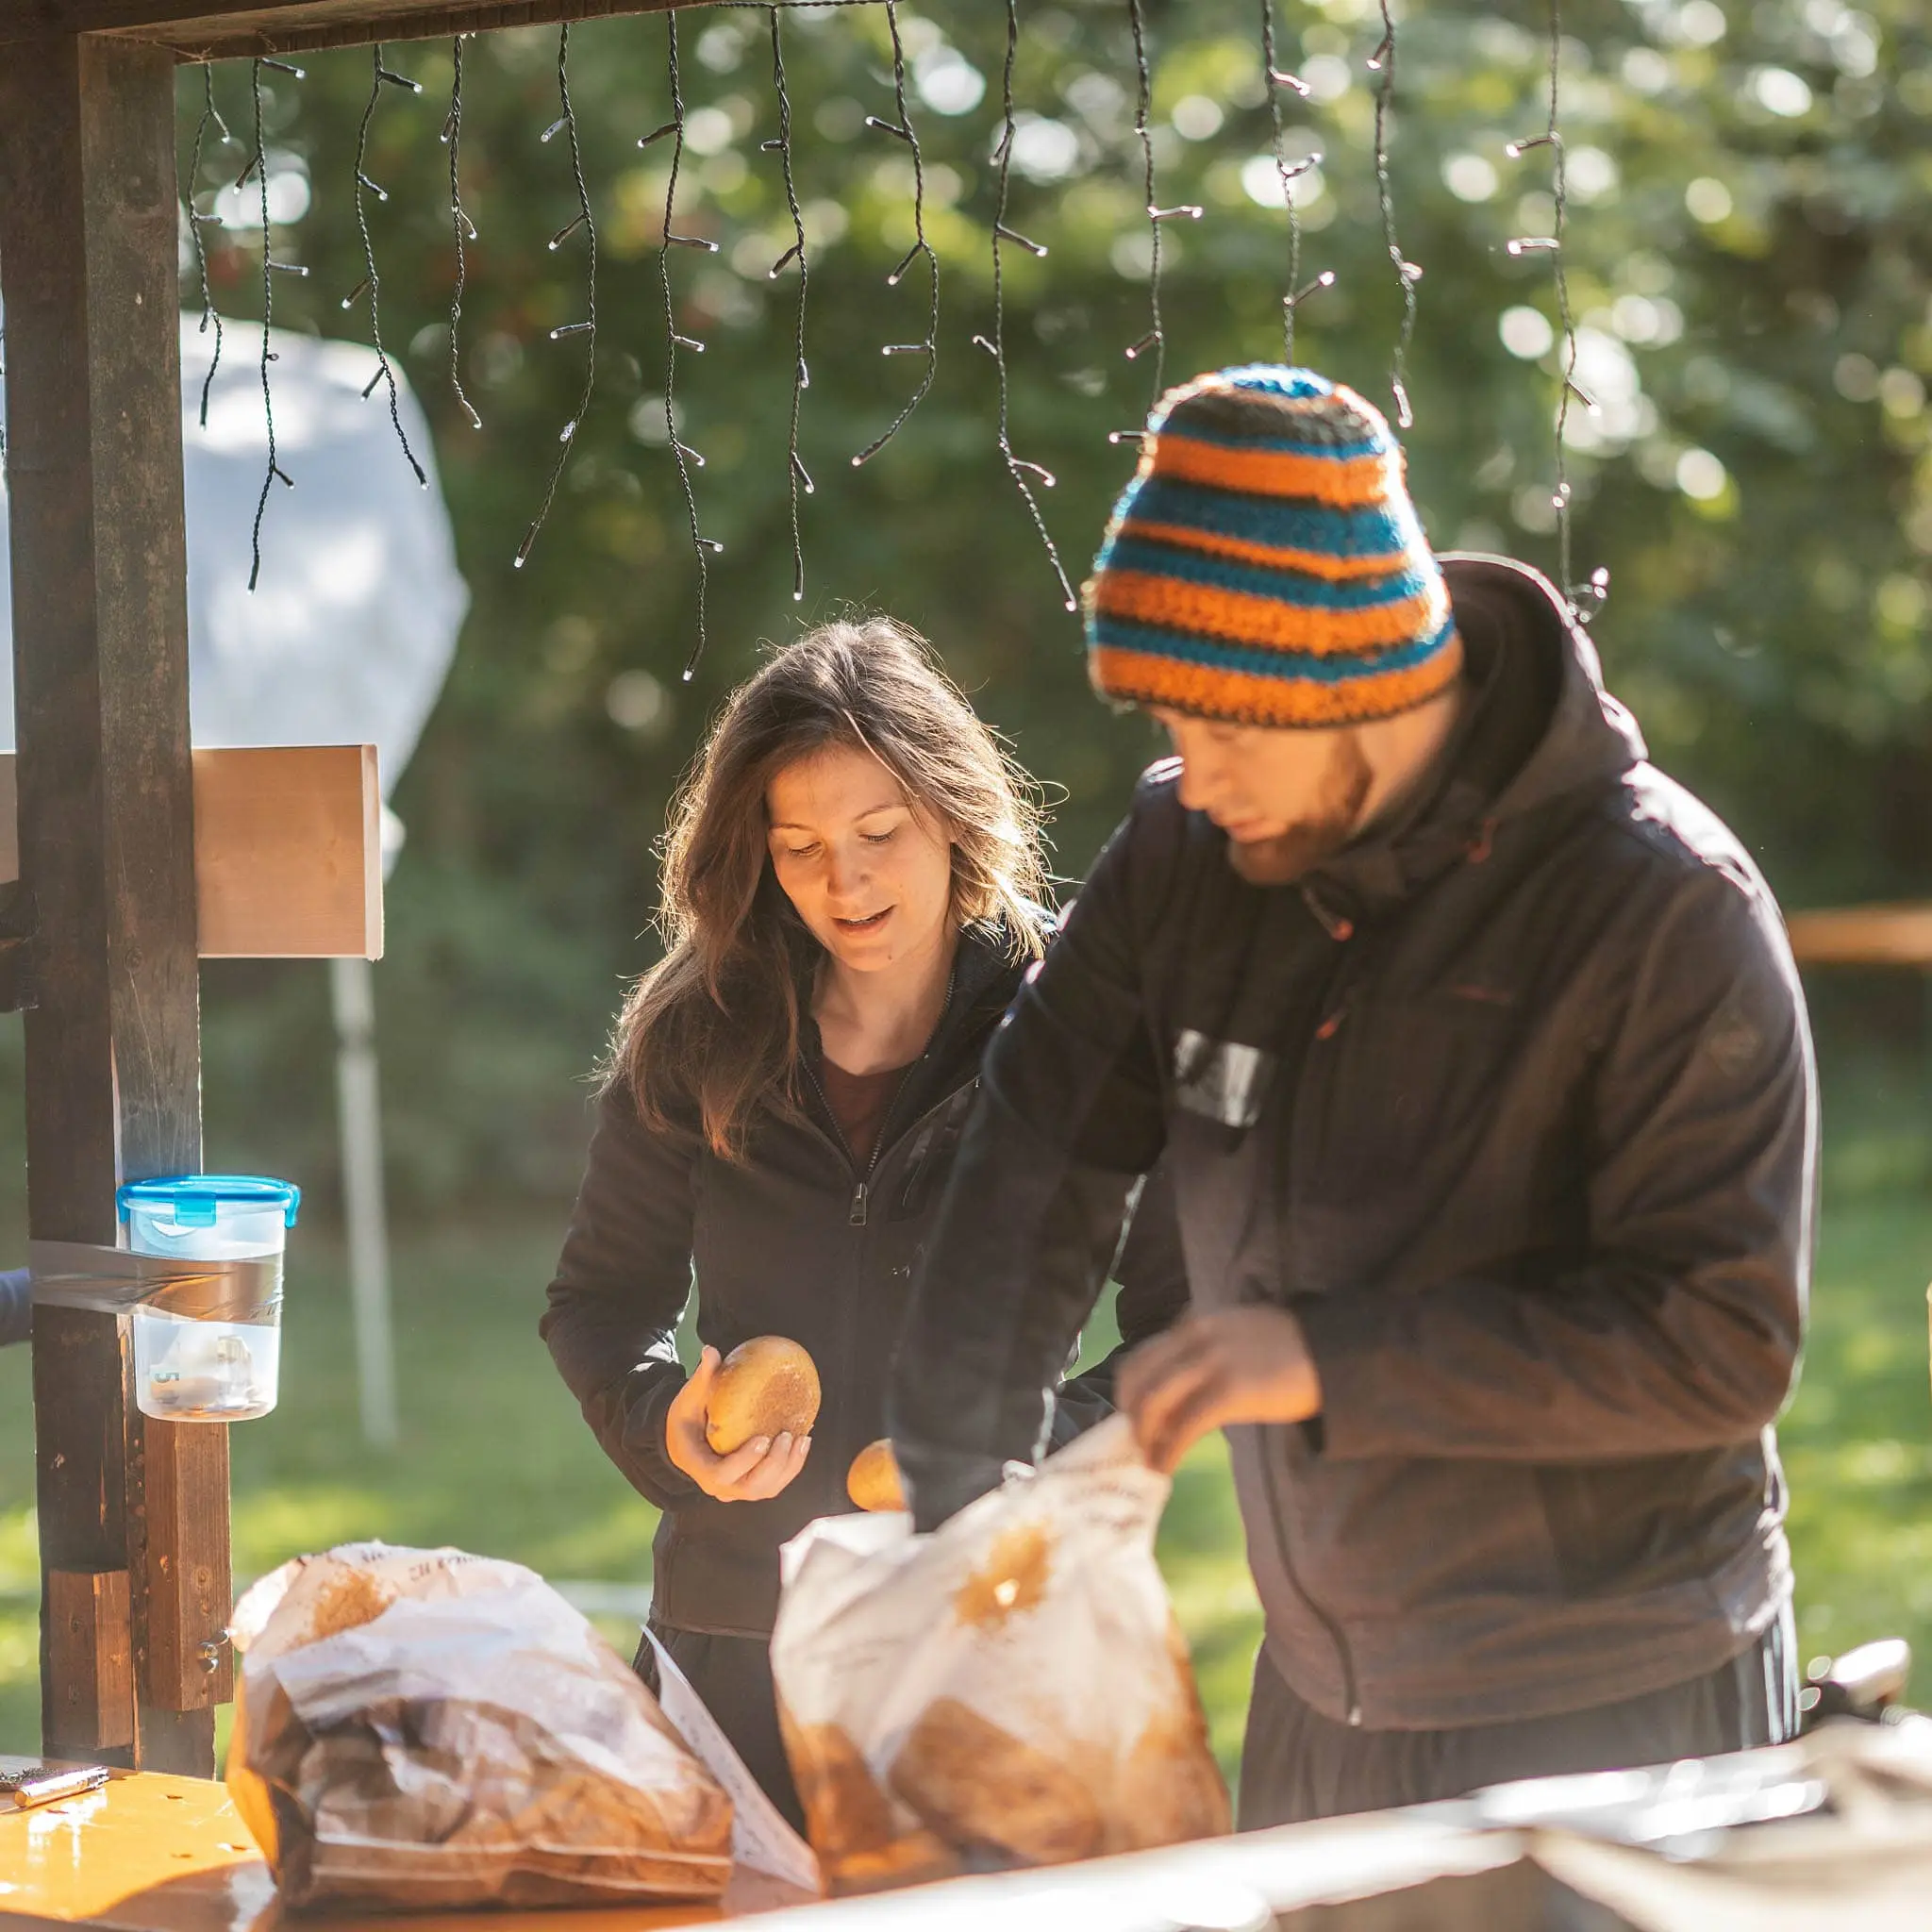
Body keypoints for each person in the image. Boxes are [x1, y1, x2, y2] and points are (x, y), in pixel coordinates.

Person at [888, 367, 1813, 1827]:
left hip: (1625, 1694)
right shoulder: (1186, 849)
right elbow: (1038, 1155)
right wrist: (960, 1508)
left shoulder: (1660, 911)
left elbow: (1719, 1341)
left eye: (1228, 730)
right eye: (1172, 728)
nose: (1196, 780)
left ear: (1352, 679)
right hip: (1326, 1689)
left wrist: (1328, 1361)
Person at [541, 618, 1187, 1827]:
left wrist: (1021, 1458)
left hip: (987, 1628)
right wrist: (664, 1428)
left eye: (879, 834)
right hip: (731, 1636)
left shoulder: (1076, 1036)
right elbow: (598, 1306)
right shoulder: (694, 1034)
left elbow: (1181, 1320)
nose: (844, 882)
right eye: (799, 848)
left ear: (951, 813)